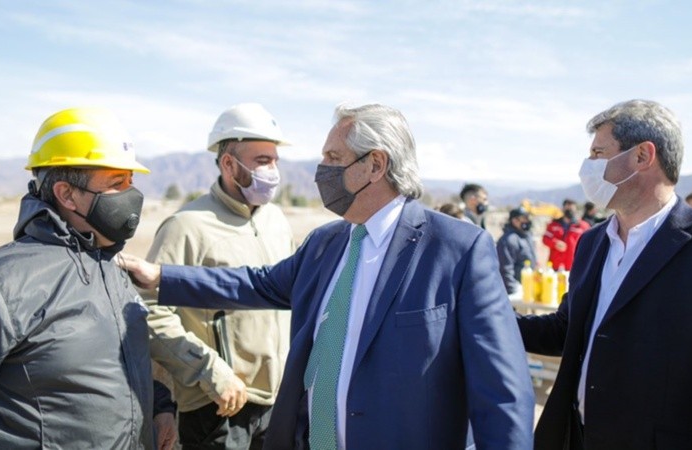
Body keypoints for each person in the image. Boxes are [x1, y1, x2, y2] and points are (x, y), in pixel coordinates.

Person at [121, 103, 535, 449]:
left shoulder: (458, 249)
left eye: (333, 159)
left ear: (375, 164)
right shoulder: (326, 243)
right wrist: (160, 276)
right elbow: (256, 283)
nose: (321, 170)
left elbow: (502, 391)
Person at [517, 99, 692, 449]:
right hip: (578, 437)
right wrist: (485, 314)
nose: (588, 167)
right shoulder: (593, 242)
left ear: (642, 156)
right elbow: (568, 329)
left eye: (598, 153)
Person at [0, 108, 162, 448]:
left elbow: (119, 361)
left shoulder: (113, 268)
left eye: (131, 182)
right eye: (116, 183)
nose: (131, 196)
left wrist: (160, 407)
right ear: (66, 194)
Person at [143, 103, 295, 450]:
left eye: (274, 160)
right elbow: (149, 310)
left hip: (277, 402)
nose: (272, 170)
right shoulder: (187, 226)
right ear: (229, 163)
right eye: (262, 161)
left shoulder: (277, 222)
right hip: (218, 406)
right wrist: (209, 370)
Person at [496, 206, 538, 295]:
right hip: (517, 289)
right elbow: (505, 269)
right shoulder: (508, 240)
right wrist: (513, 291)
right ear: (515, 221)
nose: (528, 221)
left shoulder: (527, 236)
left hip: (527, 286)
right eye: (525, 218)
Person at [542, 198, 590, 271]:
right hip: (555, 265)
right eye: (567, 209)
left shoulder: (583, 226)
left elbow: (589, 244)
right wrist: (555, 243)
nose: (569, 211)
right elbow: (545, 239)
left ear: (576, 210)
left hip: (574, 266)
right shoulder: (553, 224)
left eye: (572, 209)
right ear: (563, 209)